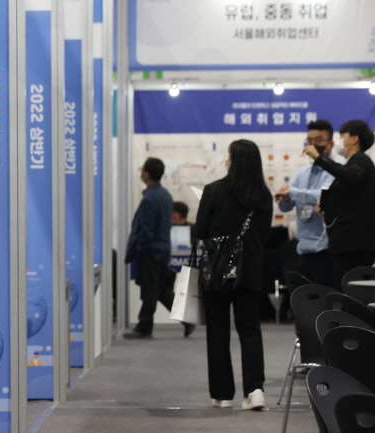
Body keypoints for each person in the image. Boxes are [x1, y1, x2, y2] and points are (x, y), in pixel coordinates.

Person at [195, 139, 273, 410]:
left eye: (228, 155)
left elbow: (201, 231)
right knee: (250, 330)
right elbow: (264, 236)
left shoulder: (213, 190)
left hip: (218, 268)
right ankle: (255, 390)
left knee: (218, 329)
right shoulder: (264, 196)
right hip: (250, 269)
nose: (226, 159)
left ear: (234, 160)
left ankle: (222, 394)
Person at [124, 157, 195, 339]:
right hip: (162, 249)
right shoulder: (165, 195)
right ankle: (186, 319)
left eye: (142, 169)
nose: (141, 172)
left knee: (151, 290)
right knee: (160, 289)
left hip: (151, 251)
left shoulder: (150, 198)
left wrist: (140, 249)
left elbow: (146, 230)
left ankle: (144, 327)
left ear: (147, 174)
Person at [303, 119, 375, 290]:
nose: (339, 141)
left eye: (342, 136)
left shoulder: (361, 160)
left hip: (355, 244)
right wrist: (326, 204)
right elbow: (351, 195)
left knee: (351, 293)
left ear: (354, 139)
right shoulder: (353, 164)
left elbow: (351, 177)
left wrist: (319, 158)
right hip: (348, 243)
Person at [274, 120, 337, 288]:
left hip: (326, 249)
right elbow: (287, 207)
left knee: (326, 299)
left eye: (319, 140)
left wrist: (292, 192)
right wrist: (284, 198)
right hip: (303, 249)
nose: (313, 145)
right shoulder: (303, 172)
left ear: (331, 144)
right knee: (305, 300)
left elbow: (323, 196)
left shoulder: (337, 170)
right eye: (309, 140)